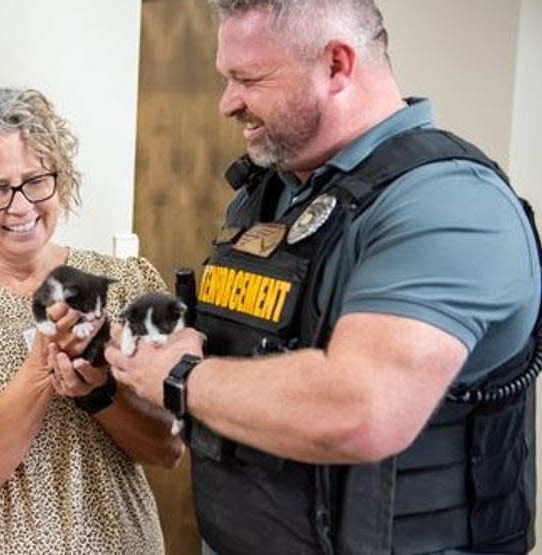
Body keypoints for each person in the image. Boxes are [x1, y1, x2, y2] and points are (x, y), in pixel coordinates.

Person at [106, 1, 542, 553]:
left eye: (248, 79)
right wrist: (165, 351)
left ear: (337, 64)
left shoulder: (447, 205)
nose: (227, 103)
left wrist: (179, 376)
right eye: (226, 78)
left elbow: (361, 411)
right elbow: (254, 355)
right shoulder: (271, 194)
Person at [0, 87, 182, 554]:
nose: (21, 206)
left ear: (59, 180)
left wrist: (99, 393)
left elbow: (166, 450)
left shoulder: (122, 283)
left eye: (36, 181)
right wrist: (42, 363)